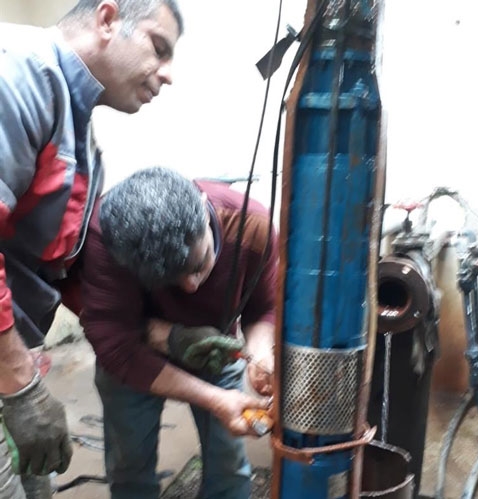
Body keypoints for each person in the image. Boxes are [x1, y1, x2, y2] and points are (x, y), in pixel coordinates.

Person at [0, 0, 183, 493]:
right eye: (159, 48)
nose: (168, 75)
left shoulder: (75, 125)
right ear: (107, 20)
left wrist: (163, 334)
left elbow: (59, 264)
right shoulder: (17, 75)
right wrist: (19, 384)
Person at [79, 167, 277, 499]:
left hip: (216, 352)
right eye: (170, 279)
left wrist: (259, 353)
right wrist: (214, 399)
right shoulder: (107, 241)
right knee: (130, 468)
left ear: (203, 211)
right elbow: (115, 346)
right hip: (135, 356)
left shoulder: (252, 226)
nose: (191, 286)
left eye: (199, 265)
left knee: (229, 467)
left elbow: (263, 307)